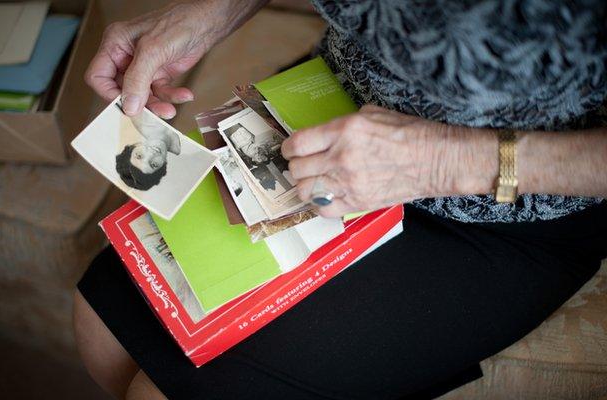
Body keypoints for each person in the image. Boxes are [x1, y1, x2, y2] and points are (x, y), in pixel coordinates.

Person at [74, 1, 607, 399]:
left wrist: (445, 161)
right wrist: (212, 11)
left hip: (505, 202)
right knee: (101, 326)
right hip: (323, 108)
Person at [115, 103, 181, 191]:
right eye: (154, 164)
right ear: (164, 164)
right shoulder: (184, 149)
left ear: (134, 146)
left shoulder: (137, 115)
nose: (151, 154)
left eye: (139, 156)